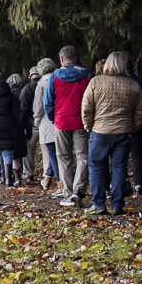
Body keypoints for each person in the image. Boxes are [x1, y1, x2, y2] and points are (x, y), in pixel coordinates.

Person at [81, 51, 142, 215]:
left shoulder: (96, 82)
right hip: (123, 132)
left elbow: (86, 107)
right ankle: (117, 205)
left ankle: (99, 203)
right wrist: (133, 127)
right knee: (119, 168)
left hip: (100, 131)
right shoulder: (133, 85)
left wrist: (88, 125)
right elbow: (140, 112)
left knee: (97, 167)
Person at [44, 46, 92, 207]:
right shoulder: (86, 75)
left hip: (61, 120)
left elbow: (48, 101)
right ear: (76, 57)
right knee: (83, 156)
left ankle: (68, 192)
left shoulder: (55, 76)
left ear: (61, 59)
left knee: (64, 157)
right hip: (81, 121)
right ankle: (79, 190)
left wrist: (53, 118)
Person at [32, 58, 61, 194]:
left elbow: (38, 106)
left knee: (52, 153)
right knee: (58, 152)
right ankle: (47, 178)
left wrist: (36, 121)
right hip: (60, 118)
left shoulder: (41, 84)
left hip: (46, 121)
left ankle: (60, 183)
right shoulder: (59, 79)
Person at [125, 57, 142, 195]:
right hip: (139, 120)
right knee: (137, 152)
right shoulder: (140, 81)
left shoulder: (122, 82)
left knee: (120, 154)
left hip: (123, 120)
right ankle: (139, 183)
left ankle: (122, 182)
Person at [7, 73, 31, 186]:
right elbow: (24, 114)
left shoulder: (7, 96)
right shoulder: (22, 94)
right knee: (19, 154)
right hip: (20, 128)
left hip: (9, 129)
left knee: (12, 155)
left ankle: (12, 176)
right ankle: (20, 174)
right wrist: (28, 131)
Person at [19, 66, 41, 183]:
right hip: (46, 123)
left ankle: (29, 174)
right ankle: (51, 174)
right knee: (49, 150)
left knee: (29, 149)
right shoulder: (47, 84)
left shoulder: (27, 88)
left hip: (31, 124)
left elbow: (22, 108)